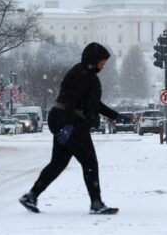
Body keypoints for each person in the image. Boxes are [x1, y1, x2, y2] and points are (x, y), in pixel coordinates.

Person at [19, 42, 120, 215]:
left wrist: (115, 115)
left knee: (58, 163)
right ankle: (96, 203)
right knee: (89, 163)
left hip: (64, 122)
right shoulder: (84, 76)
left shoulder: (81, 72)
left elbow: (93, 103)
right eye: (101, 63)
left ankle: (31, 195)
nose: (103, 67)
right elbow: (71, 101)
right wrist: (67, 126)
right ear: (93, 60)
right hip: (72, 124)